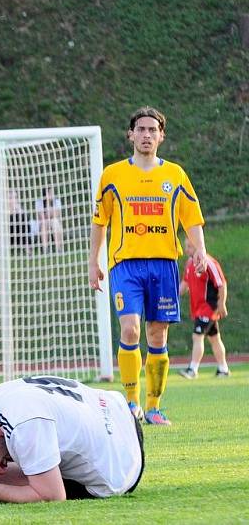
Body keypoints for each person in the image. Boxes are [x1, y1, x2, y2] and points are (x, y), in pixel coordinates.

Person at [88, 106, 207, 426]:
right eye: (141, 129)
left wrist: (201, 251)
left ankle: (153, 407)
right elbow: (100, 221)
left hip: (164, 264)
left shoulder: (175, 174)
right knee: (130, 328)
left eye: (153, 130)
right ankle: (131, 403)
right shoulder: (112, 175)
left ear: (162, 136)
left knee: (157, 336)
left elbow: (191, 218)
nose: (146, 135)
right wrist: (93, 263)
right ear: (130, 134)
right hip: (125, 266)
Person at [0, 375, 144, 502]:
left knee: (16, 483)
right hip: (116, 407)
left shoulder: (24, 425)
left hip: (122, 465)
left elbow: (54, 496)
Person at [178, 238, 230, 379]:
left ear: (198, 246)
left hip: (209, 307)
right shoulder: (189, 263)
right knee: (214, 338)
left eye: (189, 246)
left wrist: (221, 304)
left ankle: (192, 369)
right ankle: (223, 369)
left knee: (197, 336)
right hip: (198, 308)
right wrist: (172, 296)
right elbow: (185, 283)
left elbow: (221, 284)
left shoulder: (209, 262)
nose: (187, 249)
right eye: (186, 246)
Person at [35, 186, 64, 253]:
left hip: (54, 222)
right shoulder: (39, 202)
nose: (52, 195)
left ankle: (59, 248)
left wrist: (49, 208)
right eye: (50, 193)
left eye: (52, 193)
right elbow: (42, 217)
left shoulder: (57, 201)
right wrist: (47, 202)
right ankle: (45, 249)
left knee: (54, 221)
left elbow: (56, 215)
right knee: (44, 223)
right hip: (42, 223)